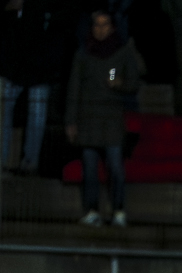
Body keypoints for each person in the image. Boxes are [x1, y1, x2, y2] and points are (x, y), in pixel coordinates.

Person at [65, 10, 142, 228]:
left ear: (112, 27)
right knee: (89, 169)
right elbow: (74, 89)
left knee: (115, 167)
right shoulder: (83, 53)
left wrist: (120, 84)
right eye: (96, 25)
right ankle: (92, 211)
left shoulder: (121, 52)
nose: (100, 29)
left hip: (111, 118)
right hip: (88, 118)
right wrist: (71, 121)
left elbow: (134, 82)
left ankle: (118, 210)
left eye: (104, 24)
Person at [0, 0, 72, 175]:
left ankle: (29, 162)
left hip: (38, 66)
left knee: (34, 116)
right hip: (16, 65)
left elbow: (111, 70)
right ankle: (12, 160)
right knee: (7, 113)